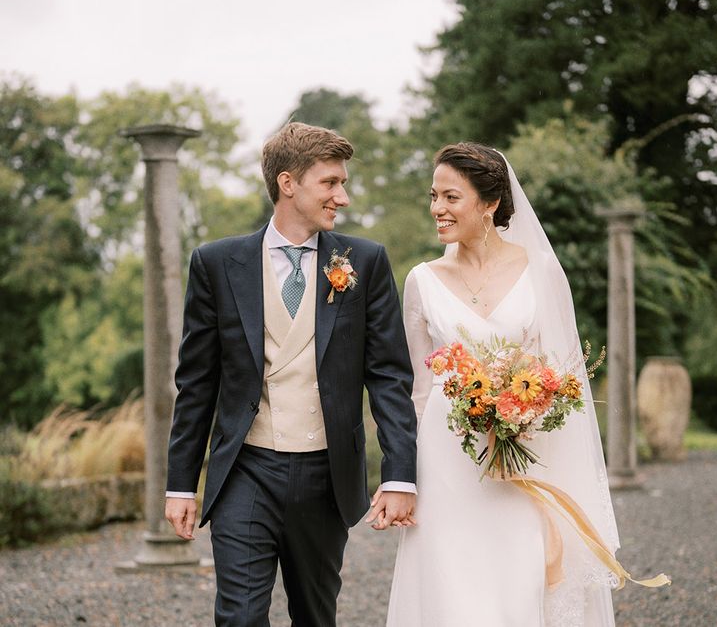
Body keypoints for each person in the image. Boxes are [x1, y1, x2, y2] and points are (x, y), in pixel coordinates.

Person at [165, 122, 418, 627]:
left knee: (315, 616)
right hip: (245, 471)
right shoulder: (215, 263)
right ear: (288, 183)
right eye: (330, 183)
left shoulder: (364, 262)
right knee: (238, 618)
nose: (342, 197)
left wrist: (399, 474)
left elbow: (388, 376)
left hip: (327, 476)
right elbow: (197, 382)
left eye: (342, 183)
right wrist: (180, 484)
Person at [387, 143, 620, 626]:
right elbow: (417, 387)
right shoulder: (421, 280)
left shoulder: (541, 271)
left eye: (451, 197)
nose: (437, 208)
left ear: (489, 203)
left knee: (519, 580)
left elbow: (562, 377)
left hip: (524, 461)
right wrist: (404, 478)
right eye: (433, 196)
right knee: (450, 587)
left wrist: (528, 417)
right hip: (445, 463)